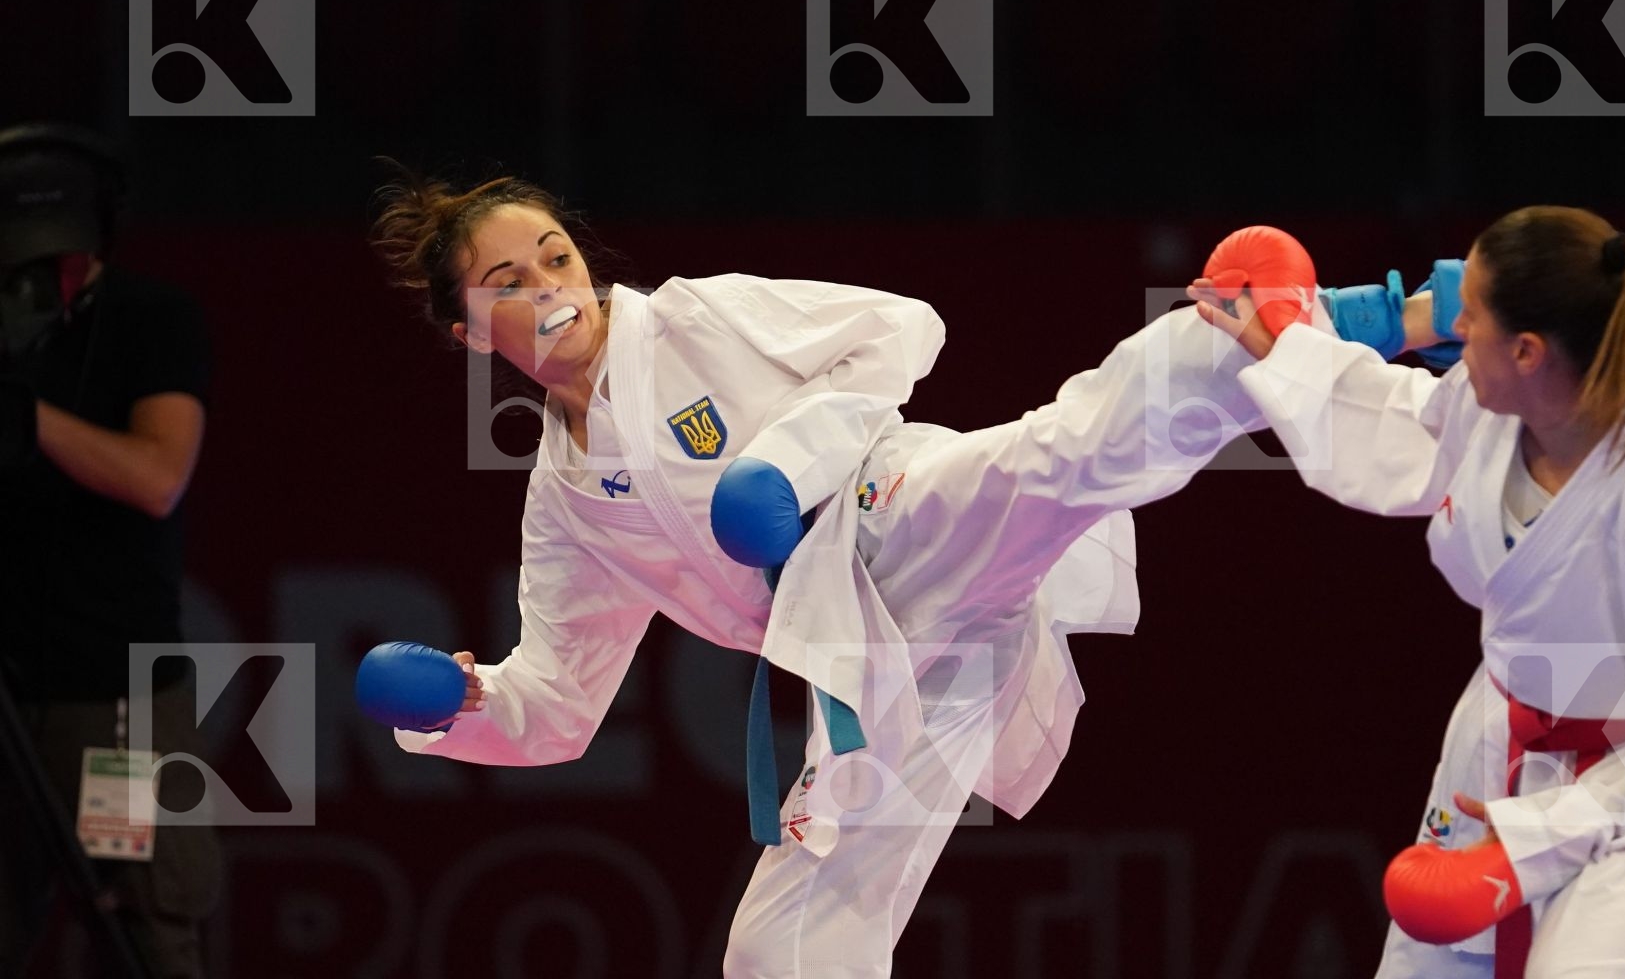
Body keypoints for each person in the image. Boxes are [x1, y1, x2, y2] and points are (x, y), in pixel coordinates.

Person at [367, 170, 1300, 975]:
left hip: (894, 512)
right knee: (782, 953)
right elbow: (562, 702)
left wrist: (789, 463)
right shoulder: (567, 503)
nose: (552, 287)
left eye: (556, 256)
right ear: (472, 333)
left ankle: (1259, 329)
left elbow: (903, 328)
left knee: (1054, 463)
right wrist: (462, 702)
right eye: (509, 282)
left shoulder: (694, 318)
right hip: (883, 671)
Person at [1193, 206, 1625, 978]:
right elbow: (1404, 428)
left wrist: (1533, 842)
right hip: (1506, 733)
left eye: (1472, 315)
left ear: (1529, 351)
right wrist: (1291, 350)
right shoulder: (1498, 405)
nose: (1451, 327)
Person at [0, 123, 221, 978]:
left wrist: (30, 422)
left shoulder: (150, 321)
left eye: (49, 266)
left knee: (141, 919)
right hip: (9, 700)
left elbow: (158, 475)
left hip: (113, 710)